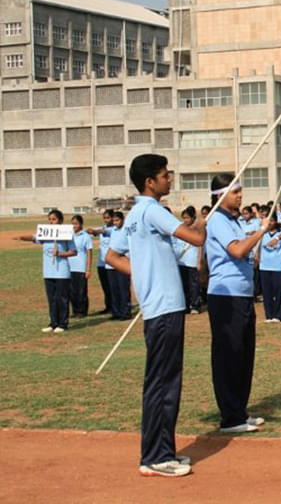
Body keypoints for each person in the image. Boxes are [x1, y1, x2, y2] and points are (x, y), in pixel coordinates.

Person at [104, 153, 206, 477]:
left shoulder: (134, 213)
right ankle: (155, 457)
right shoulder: (151, 211)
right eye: (165, 175)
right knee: (163, 383)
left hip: (159, 305)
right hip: (164, 307)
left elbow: (111, 255)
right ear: (150, 182)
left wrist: (141, 274)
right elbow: (197, 238)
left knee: (162, 381)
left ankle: (162, 451)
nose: (169, 179)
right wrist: (206, 219)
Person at [204, 173, 268, 432]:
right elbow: (237, 250)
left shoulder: (235, 221)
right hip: (226, 296)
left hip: (242, 294)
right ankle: (230, 417)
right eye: (234, 192)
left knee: (243, 355)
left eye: (240, 190)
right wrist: (261, 231)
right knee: (229, 355)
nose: (240, 196)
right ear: (220, 196)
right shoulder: (218, 220)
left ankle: (239, 411)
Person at [16, 209, 76, 333]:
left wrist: (60, 253)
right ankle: (53, 323)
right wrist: (21, 237)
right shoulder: (46, 234)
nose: (51, 222)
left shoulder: (66, 233)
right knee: (52, 298)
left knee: (62, 298)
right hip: (48, 271)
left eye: (54, 219)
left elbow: (73, 251)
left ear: (60, 220)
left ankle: (63, 323)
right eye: (49, 219)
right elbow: (34, 237)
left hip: (61, 271)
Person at [255, 213, 281, 323]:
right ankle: (269, 315)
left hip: (278, 267)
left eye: (272, 220)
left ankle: (278, 315)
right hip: (264, 267)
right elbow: (258, 250)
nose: (269, 223)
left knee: (278, 292)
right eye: (267, 221)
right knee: (267, 292)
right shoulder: (262, 234)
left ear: (276, 222)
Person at [173, 206, 203, 314]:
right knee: (183, 284)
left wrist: (199, 261)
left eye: (187, 218)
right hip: (181, 261)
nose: (185, 220)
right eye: (183, 218)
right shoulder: (180, 229)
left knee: (194, 285)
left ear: (192, 217)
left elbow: (200, 246)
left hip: (192, 261)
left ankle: (195, 305)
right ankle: (185, 305)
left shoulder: (197, 229)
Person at [87, 209, 115, 314]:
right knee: (105, 286)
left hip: (112, 263)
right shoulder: (102, 228)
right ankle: (108, 306)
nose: (106, 220)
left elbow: (103, 231)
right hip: (101, 263)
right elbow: (95, 230)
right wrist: (88, 230)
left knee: (113, 286)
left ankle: (116, 306)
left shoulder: (114, 229)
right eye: (104, 218)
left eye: (108, 217)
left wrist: (95, 231)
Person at [106, 212, 132, 320]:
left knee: (123, 288)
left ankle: (125, 312)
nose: (115, 223)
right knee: (114, 288)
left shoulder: (127, 230)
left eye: (117, 220)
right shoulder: (113, 231)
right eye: (114, 221)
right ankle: (116, 312)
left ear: (122, 219)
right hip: (112, 264)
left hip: (122, 261)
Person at [68, 214, 93, 317]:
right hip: (70, 266)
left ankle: (82, 311)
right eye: (73, 224)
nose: (74, 226)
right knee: (72, 291)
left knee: (81, 291)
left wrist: (88, 269)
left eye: (76, 223)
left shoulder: (85, 236)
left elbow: (89, 253)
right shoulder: (69, 235)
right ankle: (75, 310)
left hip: (80, 267)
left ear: (81, 224)